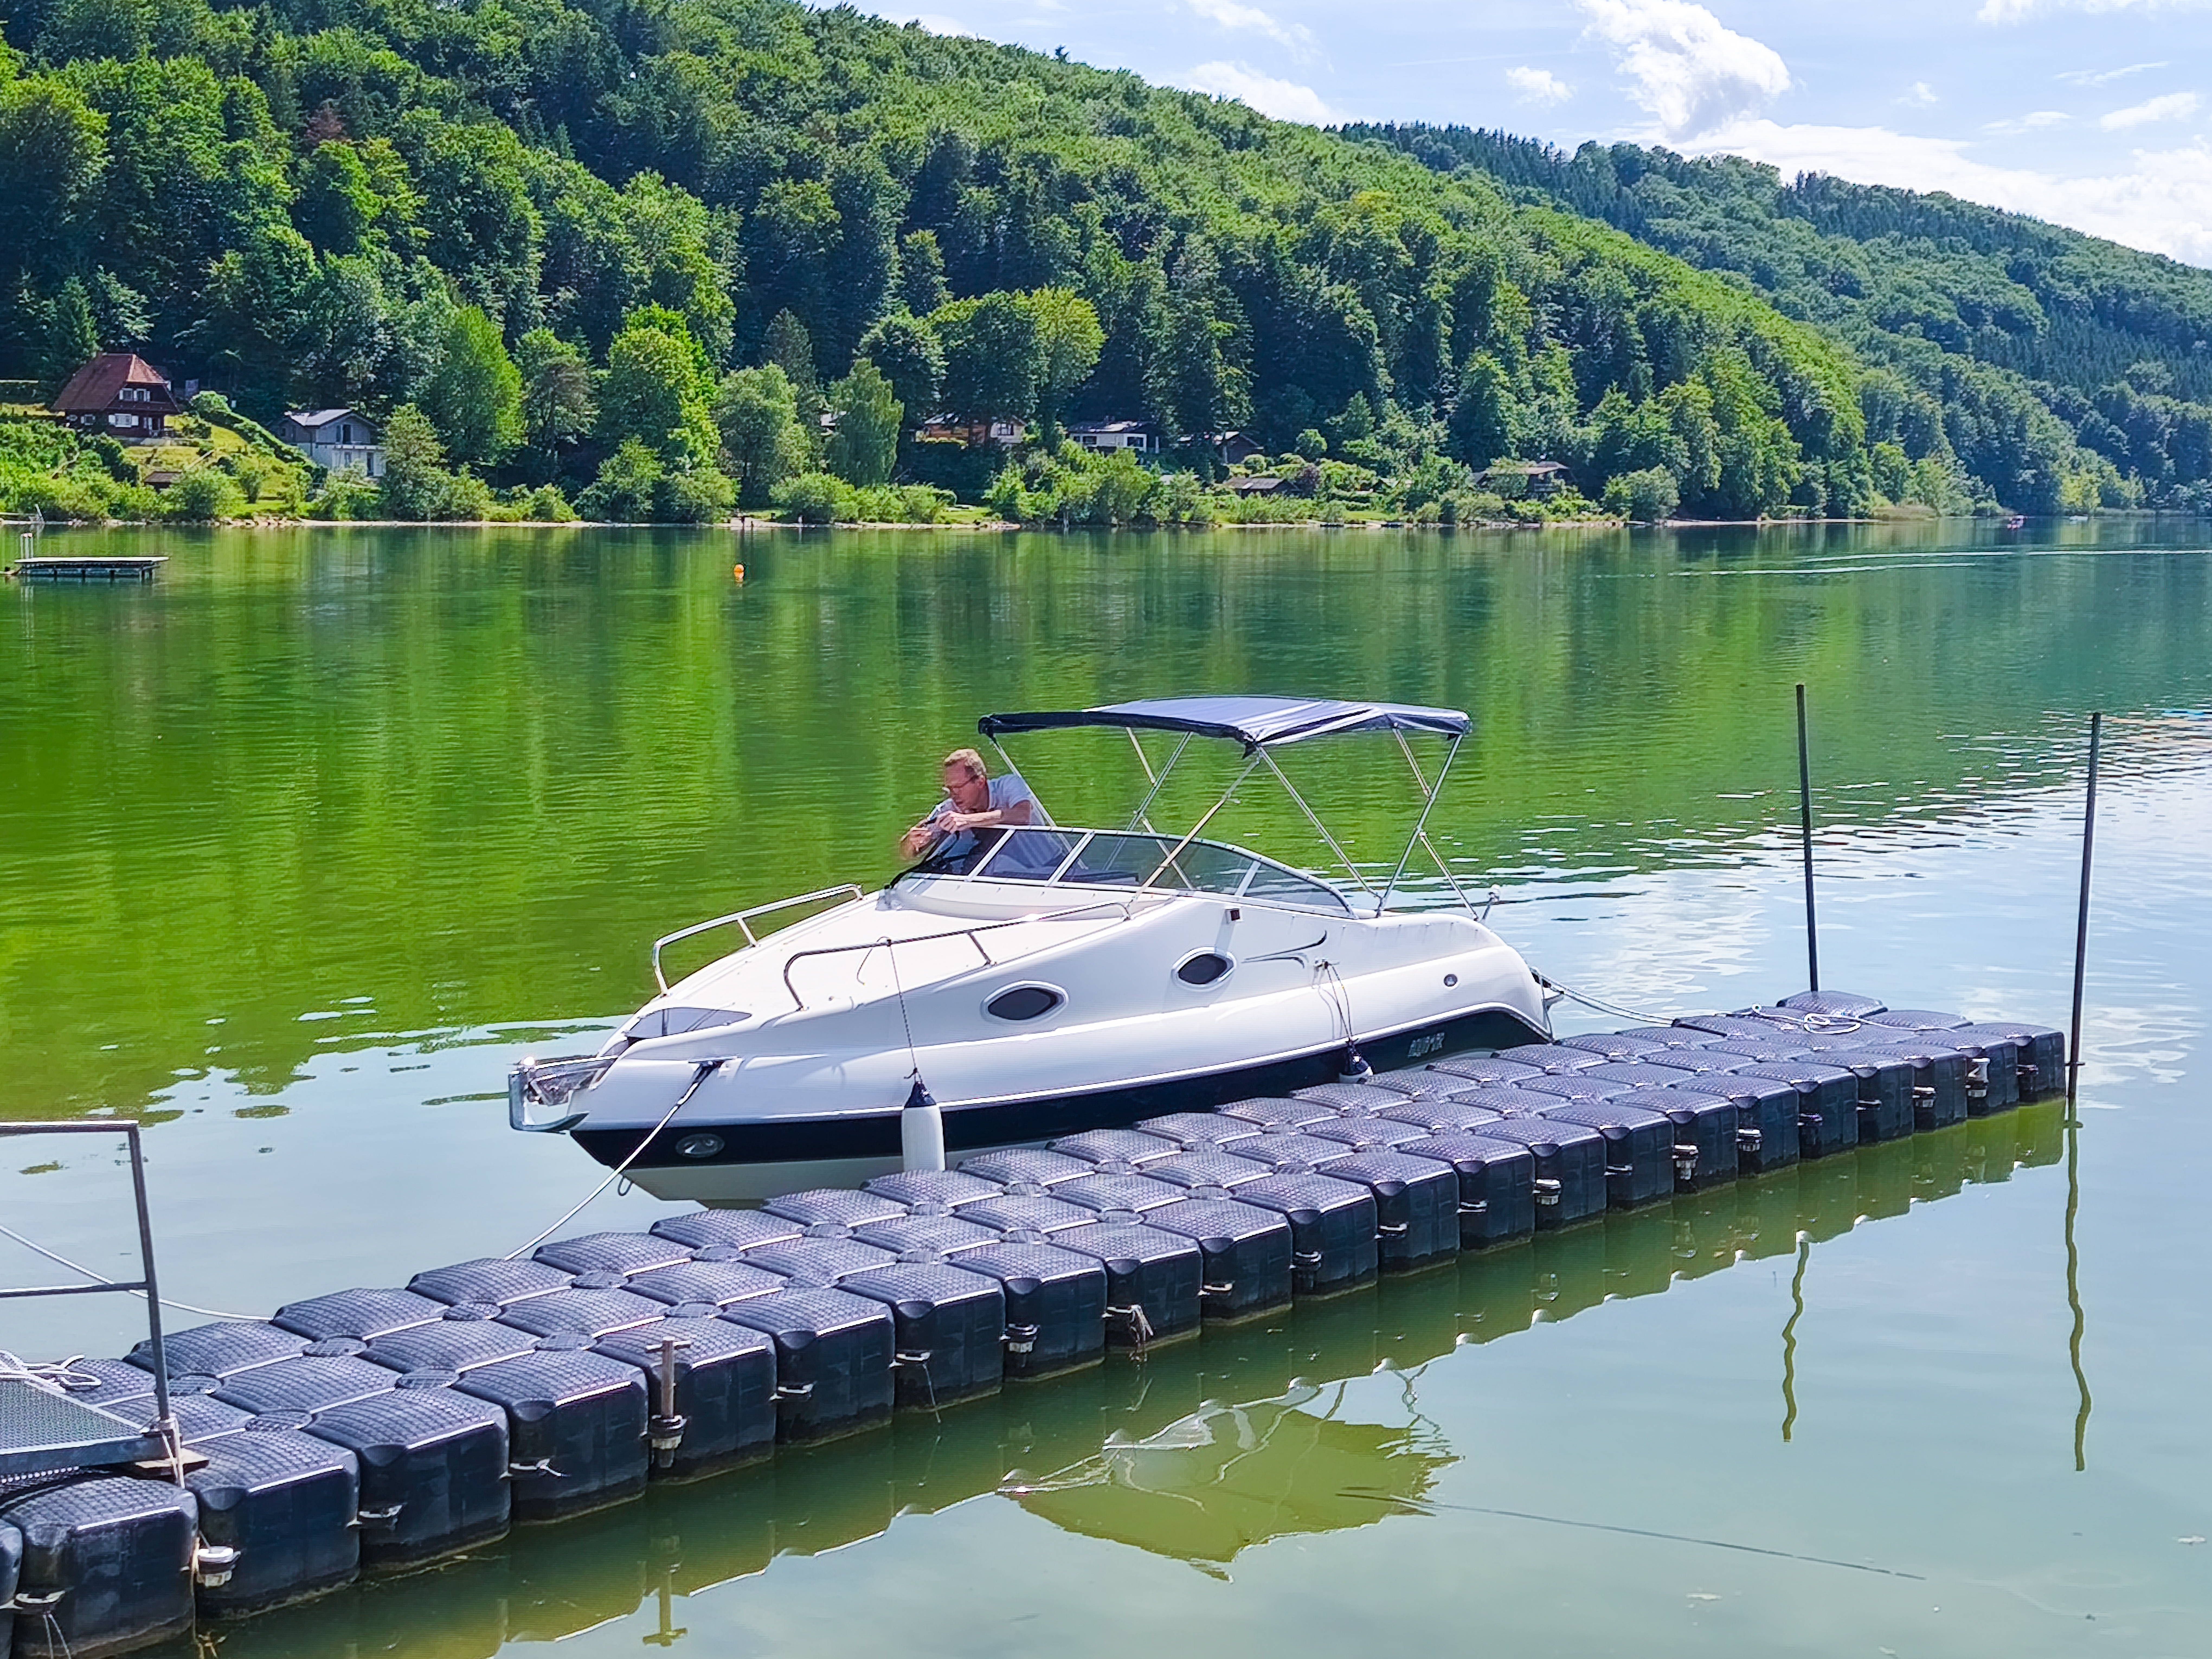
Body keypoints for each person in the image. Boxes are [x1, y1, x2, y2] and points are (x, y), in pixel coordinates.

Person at [899, 748, 1039, 864]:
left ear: (980, 782)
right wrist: (912, 842)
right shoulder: (950, 809)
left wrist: (968, 820)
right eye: (950, 788)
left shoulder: (1009, 785)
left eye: (959, 787)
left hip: (1044, 862)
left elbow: (1023, 816)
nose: (954, 794)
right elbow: (907, 854)